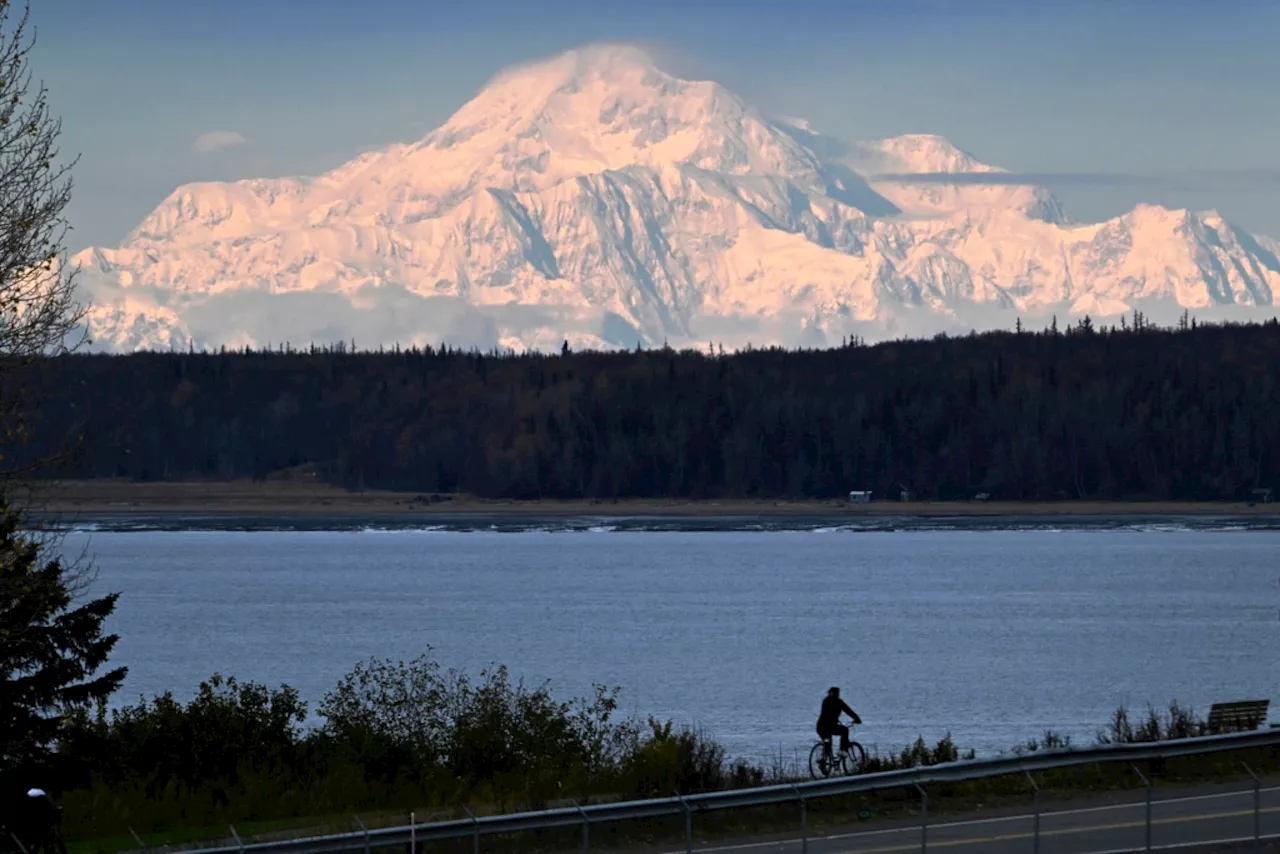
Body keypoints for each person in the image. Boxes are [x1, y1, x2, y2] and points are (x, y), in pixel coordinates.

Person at [816, 686, 861, 754]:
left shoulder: (831, 701)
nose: (837, 695)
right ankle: (839, 751)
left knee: (829, 741)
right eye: (837, 693)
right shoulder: (833, 702)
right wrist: (857, 719)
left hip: (826, 727)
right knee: (842, 732)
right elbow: (847, 711)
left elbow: (848, 710)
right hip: (826, 727)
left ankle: (835, 753)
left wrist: (856, 718)